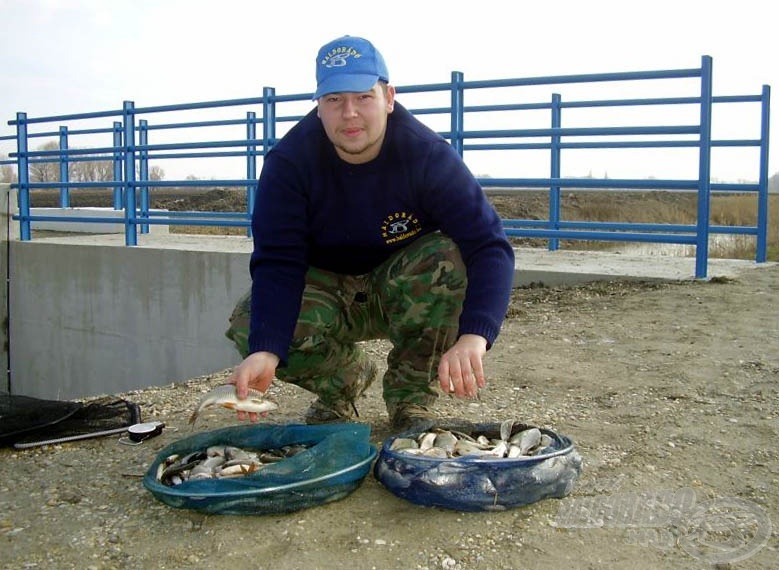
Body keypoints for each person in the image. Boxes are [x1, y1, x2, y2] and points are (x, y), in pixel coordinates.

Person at [225, 35, 515, 432]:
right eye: (333, 100)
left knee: (447, 258)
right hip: (329, 289)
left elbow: (489, 245)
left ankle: (411, 401)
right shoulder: (289, 164)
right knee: (251, 321)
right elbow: (278, 262)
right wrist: (266, 349)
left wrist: (474, 337)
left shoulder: (426, 154)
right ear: (318, 105)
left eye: (363, 97)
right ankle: (344, 384)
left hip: (402, 287)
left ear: (389, 98)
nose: (349, 114)